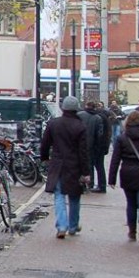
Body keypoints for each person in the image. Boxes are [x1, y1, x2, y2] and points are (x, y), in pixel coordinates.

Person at [40, 96, 90, 239]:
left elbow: (45, 144)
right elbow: (84, 151)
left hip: (58, 164)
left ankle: (61, 226)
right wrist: (86, 171)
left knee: (59, 196)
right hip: (75, 166)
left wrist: (44, 158)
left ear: (63, 108)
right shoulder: (80, 126)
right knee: (74, 197)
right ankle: (73, 226)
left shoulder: (53, 124)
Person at [107, 109, 139, 246]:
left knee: (131, 204)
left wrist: (111, 179)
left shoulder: (122, 138)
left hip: (127, 174)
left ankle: (132, 231)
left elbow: (115, 160)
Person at [78, 101, 108, 193]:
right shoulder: (99, 118)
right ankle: (101, 186)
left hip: (83, 145)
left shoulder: (80, 115)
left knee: (87, 165)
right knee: (100, 166)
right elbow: (101, 134)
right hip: (96, 147)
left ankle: (89, 184)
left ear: (86, 106)